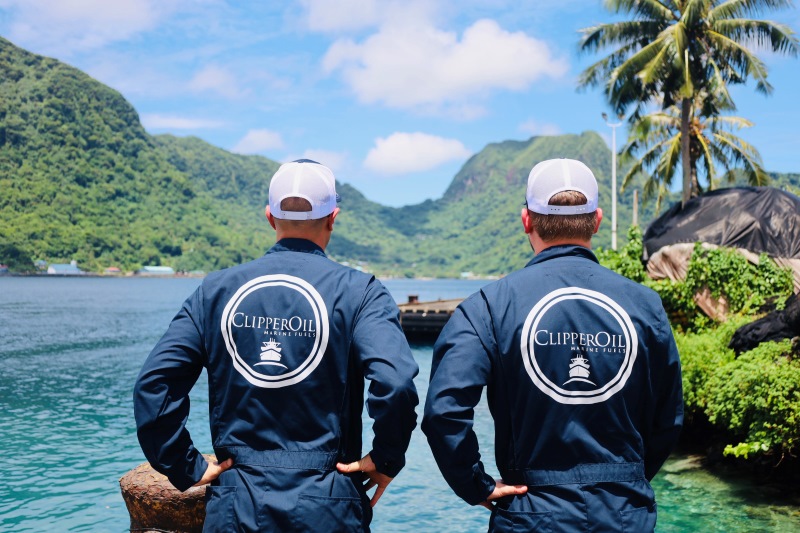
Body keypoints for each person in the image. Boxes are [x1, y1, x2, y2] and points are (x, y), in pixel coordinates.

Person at [134, 159, 419, 532]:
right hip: (329, 503)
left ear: (270, 217)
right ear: (333, 218)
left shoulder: (215, 291)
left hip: (237, 502)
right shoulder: (359, 292)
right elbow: (395, 383)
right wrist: (385, 457)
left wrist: (184, 465)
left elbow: (155, 386)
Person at [422, 158, 683, 532]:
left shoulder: (489, 306)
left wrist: (473, 485)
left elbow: (444, 411)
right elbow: (668, 418)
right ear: (597, 219)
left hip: (529, 510)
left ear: (527, 220)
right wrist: (625, 478)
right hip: (626, 514)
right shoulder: (645, 305)